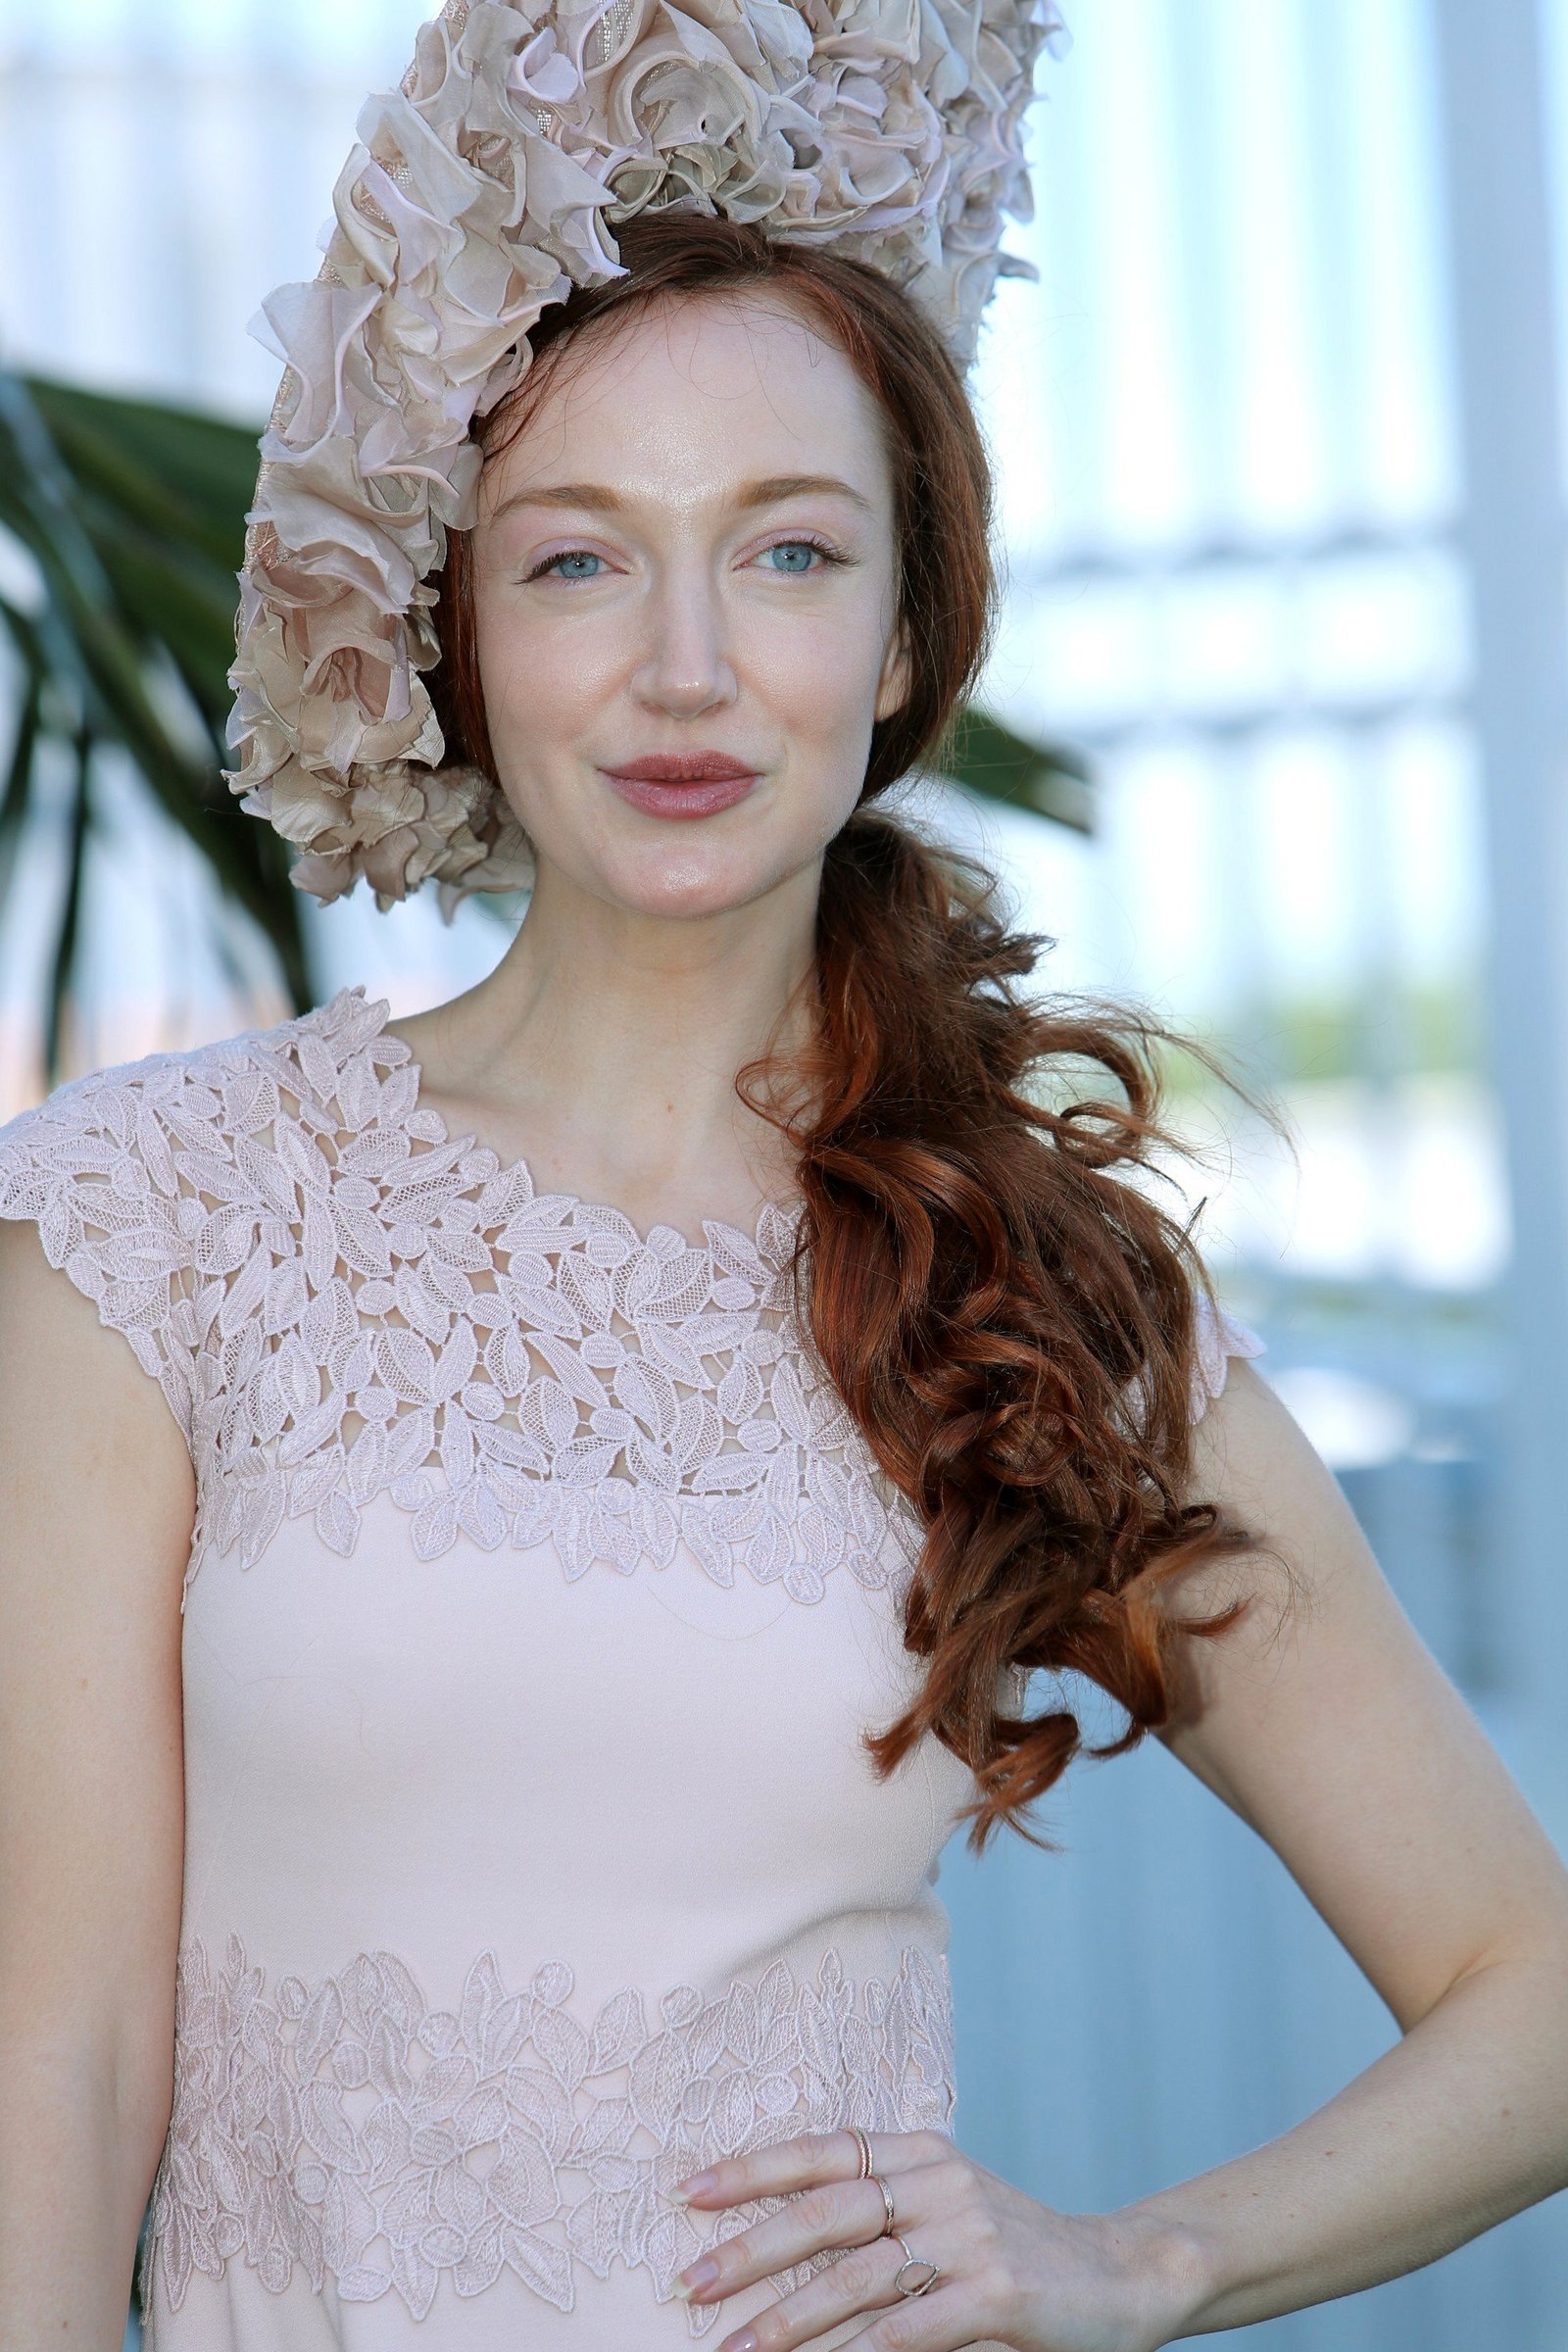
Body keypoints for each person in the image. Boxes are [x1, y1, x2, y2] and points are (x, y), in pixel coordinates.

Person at [3, 9, 1568, 2352]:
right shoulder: (152, 1224)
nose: (687, 671)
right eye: (574, 564)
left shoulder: (1036, 1291)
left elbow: (1518, 1986)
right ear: (453, 626)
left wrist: (1142, 2259)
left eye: (791, 552)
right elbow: (59, 2051)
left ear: (909, 627)